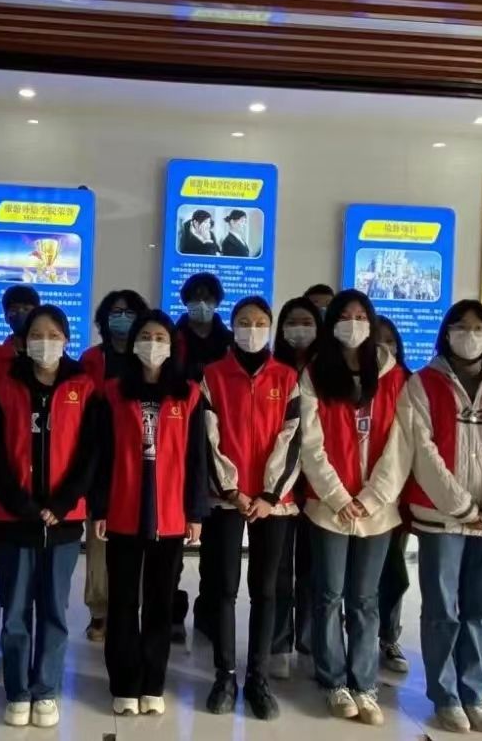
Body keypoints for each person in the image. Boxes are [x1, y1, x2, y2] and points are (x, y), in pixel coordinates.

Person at [400, 299, 482, 734]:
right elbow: (421, 449)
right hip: (441, 515)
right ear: (446, 332)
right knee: (442, 609)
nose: (470, 335)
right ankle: (445, 696)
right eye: (460, 326)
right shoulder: (422, 383)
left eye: (479, 328)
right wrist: (460, 505)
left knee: (480, 608)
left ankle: (473, 692)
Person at [0, 305, 101, 729]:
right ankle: (17, 690)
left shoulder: (84, 385)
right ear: (24, 339)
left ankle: (46, 689)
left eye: (53, 334)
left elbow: (90, 453)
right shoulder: (3, 382)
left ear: (66, 339)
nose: (44, 342)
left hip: (64, 521)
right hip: (14, 517)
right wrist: (21, 503)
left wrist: (63, 502)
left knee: (53, 608)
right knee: (15, 610)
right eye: (36, 334)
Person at [92, 310, 210, 717]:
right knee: (123, 601)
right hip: (123, 508)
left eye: (161, 337)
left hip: (171, 512)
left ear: (172, 345)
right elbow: (102, 454)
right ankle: (125, 683)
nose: (153, 344)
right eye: (146, 336)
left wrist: (196, 512)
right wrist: (100, 506)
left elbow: (198, 458)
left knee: (160, 602)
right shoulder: (112, 392)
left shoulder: (188, 394)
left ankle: (153, 683)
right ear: (133, 343)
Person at [300, 291, 408, 726]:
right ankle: (333, 681)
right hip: (329, 506)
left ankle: (365, 683)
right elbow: (310, 443)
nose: (353, 323)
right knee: (328, 595)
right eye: (344, 316)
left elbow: (401, 445)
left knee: (365, 598)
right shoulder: (314, 373)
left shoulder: (394, 377)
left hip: (377, 508)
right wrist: (340, 497)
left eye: (361, 315)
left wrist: (371, 497)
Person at [202, 296, 301, 721]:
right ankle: (224, 675)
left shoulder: (287, 376)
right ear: (232, 325)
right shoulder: (212, 375)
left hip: (272, 503)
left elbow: (293, 437)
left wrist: (269, 495)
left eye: (260, 322)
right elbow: (208, 437)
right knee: (223, 587)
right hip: (227, 499)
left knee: (266, 589)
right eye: (244, 322)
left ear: (270, 327)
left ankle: (258, 677)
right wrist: (232, 491)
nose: (252, 329)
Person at [80, 289, 149, 643]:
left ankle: (132, 610)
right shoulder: (92, 359)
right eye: (115, 312)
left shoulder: (149, 359)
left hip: (142, 461)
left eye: (129, 312)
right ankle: (100, 611)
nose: (122, 318)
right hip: (100, 461)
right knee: (100, 541)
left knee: (139, 542)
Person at [173, 272, 233, 642]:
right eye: (194, 296)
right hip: (179, 439)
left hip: (220, 441)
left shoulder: (229, 341)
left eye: (207, 296)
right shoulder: (172, 337)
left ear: (217, 301)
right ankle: (172, 612)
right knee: (173, 541)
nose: (201, 302)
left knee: (216, 544)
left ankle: (208, 613)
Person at [267, 297, 321, 681]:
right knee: (280, 569)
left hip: (318, 485)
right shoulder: (274, 371)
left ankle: (310, 640)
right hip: (281, 487)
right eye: (292, 322)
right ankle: (279, 643)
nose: (299, 329)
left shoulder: (327, 371)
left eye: (307, 321)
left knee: (314, 570)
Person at [376, 315, 413, 675]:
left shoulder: (409, 383)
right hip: (351, 495)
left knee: (393, 572)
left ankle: (388, 636)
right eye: (377, 339)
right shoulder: (349, 380)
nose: (383, 346)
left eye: (389, 340)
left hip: (394, 496)